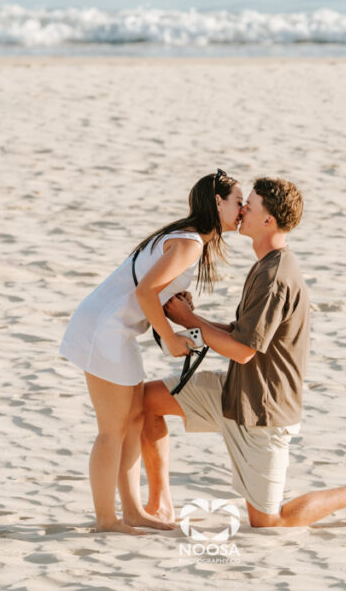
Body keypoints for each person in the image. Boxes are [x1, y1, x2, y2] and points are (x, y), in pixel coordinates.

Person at [141, 177, 346, 528]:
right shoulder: (266, 263)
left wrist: (189, 321)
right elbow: (242, 332)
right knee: (145, 401)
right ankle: (160, 505)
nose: (241, 209)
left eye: (250, 204)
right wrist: (192, 318)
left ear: (268, 221)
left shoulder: (275, 275)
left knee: (269, 523)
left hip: (264, 412)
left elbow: (244, 351)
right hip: (234, 393)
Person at [59, 170, 243, 535]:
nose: (242, 210)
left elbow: (150, 289)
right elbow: (144, 293)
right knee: (111, 430)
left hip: (118, 332)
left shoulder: (190, 240)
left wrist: (175, 301)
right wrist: (171, 340)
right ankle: (106, 521)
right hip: (103, 331)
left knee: (134, 420)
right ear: (218, 202)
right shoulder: (190, 242)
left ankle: (131, 511)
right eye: (238, 202)